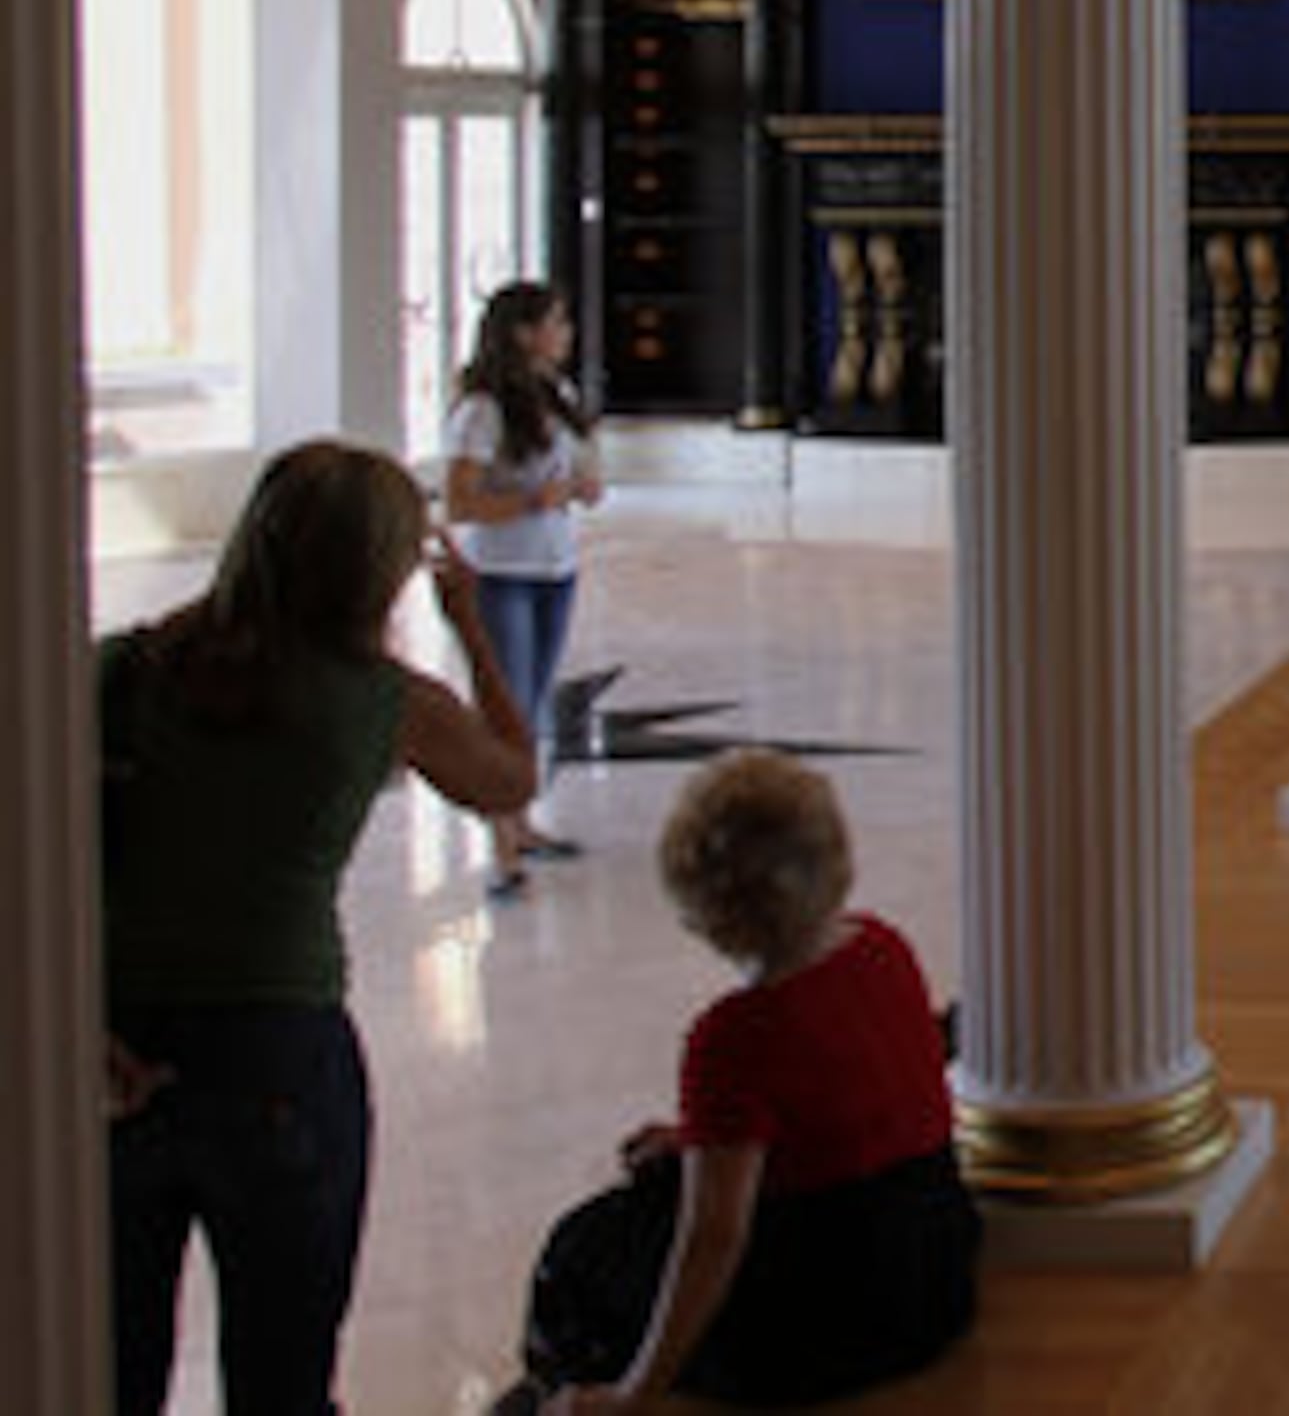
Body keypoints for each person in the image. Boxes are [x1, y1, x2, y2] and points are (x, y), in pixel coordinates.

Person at [101, 439, 539, 1416]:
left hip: (116, 1054)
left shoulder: (124, 671)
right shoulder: (380, 703)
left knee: (110, 1366)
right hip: (278, 1054)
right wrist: (471, 624)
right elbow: (512, 777)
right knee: (283, 1376)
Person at [521, 751, 979, 1412]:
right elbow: (847, 1095)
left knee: (586, 1252)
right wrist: (698, 1139)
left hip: (826, 1317)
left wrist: (636, 1393)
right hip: (934, 1276)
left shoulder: (732, 1037)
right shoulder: (885, 948)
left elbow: (714, 1234)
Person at [445, 279, 603, 897]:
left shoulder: (554, 394)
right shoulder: (483, 408)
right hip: (500, 572)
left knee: (532, 701)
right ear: (522, 331)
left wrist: (581, 488)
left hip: (553, 567)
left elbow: (571, 468)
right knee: (504, 704)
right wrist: (537, 499)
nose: (565, 333)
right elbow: (461, 499)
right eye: (555, 322)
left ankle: (521, 819)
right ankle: (501, 844)